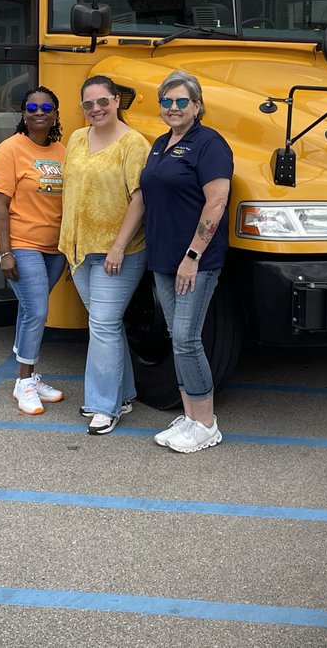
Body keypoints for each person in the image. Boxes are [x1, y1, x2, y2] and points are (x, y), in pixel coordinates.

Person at [109, 70, 233, 453]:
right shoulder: (162, 144)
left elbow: (216, 201)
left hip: (194, 260)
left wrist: (193, 256)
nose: (173, 107)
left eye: (182, 101)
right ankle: (189, 415)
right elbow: (145, 198)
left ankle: (207, 423)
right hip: (163, 258)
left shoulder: (209, 144)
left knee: (186, 338)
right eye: (167, 101)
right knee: (177, 339)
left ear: (197, 106)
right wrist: (121, 244)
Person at [59, 74, 149, 435]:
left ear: (116, 102)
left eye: (102, 102)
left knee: (102, 325)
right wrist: (68, 245)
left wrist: (117, 247)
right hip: (80, 252)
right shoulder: (78, 138)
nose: (95, 109)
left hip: (120, 253)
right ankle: (123, 393)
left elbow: (140, 198)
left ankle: (103, 406)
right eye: (88, 104)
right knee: (106, 325)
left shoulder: (133, 144)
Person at [0, 87, 67, 415]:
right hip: (21, 244)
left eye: (46, 106)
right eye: (32, 106)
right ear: (23, 113)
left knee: (30, 309)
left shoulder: (64, 150)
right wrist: (6, 253)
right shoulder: (9, 150)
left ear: (56, 114)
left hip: (55, 248)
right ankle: (23, 382)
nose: (39, 111)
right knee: (37, 311)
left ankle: (30, 374)